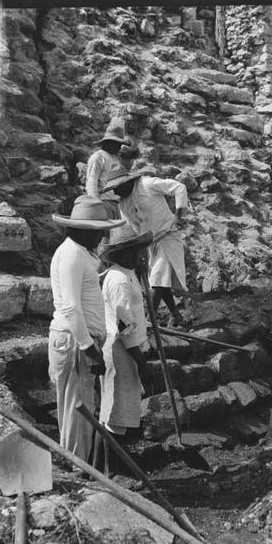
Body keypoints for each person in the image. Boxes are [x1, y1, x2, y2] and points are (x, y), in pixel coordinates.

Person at [49, 195, 124, 461]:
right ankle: (76, 469)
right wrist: (88, 348)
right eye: (99, 231)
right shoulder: (71, 255)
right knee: (77, 412)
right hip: (75, 341)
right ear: (83, 230)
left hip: (80, 340)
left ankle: (77, 465)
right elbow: (70, 306)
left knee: (80, 409)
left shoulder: (80, 253)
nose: (103, 236)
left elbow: (84, 287)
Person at [96, 224, 154, 473]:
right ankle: (108, 470)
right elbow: (124, 327)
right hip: (120, 350)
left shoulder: (126, 274)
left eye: (139, 251)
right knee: (113, 415)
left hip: (125, 348)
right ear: (118, 255)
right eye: (132, 252)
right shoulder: (119, 280)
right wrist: (143, 366)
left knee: (115, 412)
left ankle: (107, 467)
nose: (139, 256)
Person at [102, 167, 188, 327]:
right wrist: (137, 249)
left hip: (168, 235)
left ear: (126, 182)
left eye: (117, 186)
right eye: (113, 188)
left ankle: (150, 320)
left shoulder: (147, 184)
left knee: (157, 279)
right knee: (160, 280)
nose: (116, 191)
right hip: (150, 242)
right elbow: (132, 228)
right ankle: (175, 315)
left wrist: (179, 215)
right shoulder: (123, 204)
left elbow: (178, 187)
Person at [85, 118, 132, 219]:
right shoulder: (98, 157)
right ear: (108, 142)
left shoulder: (115, 158)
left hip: (116, 203)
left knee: (115, 233)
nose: (119, 147)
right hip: (103, 201)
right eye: (117, 143)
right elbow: (91, 182)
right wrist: (95, 203)